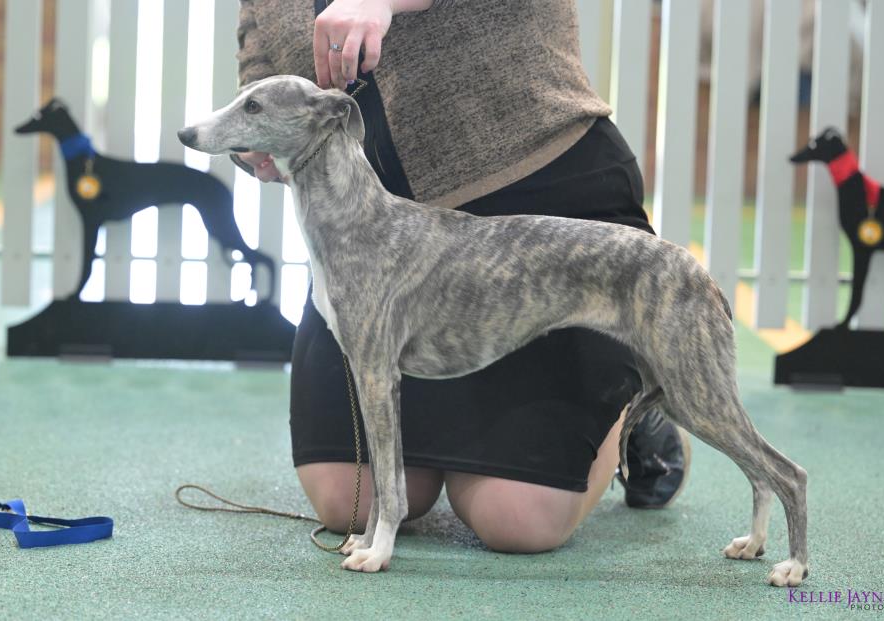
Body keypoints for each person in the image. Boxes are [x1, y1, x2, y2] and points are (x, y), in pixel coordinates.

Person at [233, 0, 690, 553]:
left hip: (540, 202)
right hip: (385, 243)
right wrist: (256, 141)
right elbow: (258, 63)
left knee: (517, 520)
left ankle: (629, 401)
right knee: (348, 503)